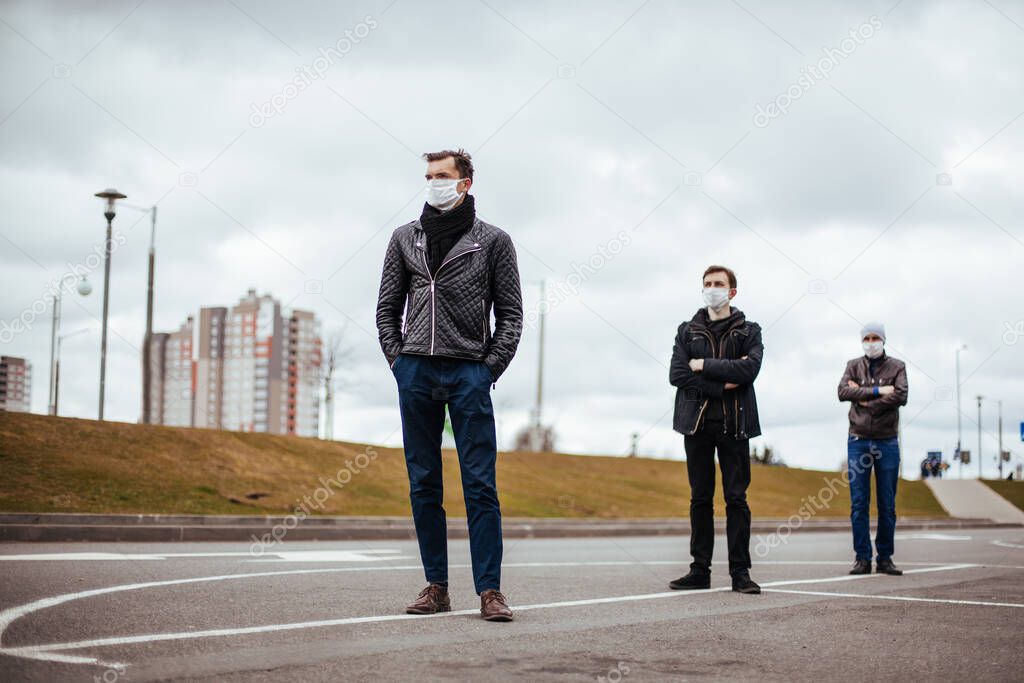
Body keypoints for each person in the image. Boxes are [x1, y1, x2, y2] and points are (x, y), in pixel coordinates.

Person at [375, 148, 523, 621]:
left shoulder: (494, 241)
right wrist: (399, 361)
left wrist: (488, 368)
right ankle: (435, 586)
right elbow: (386, 309)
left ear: (465, 184)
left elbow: (512, 315)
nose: (434, 182)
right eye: (429, 175)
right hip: (415, 369)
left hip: (467, 373)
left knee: (480, 484)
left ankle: (490, 591)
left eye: (443, 175)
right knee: (423, 484)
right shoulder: (405, 238)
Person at [667, 265, 764, 594]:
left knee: (736, 499)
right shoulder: (687, 330)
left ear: (732, 291)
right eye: (708, 283)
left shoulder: (749, 330)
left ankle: (740, 572)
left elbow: (749, 370)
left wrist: (705, 365)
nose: (713, 288)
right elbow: (678, 376)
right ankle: (700, 570)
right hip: (696, 425)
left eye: (719, 284)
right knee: (700, 499)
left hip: (735, 424)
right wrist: (723, 384)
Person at [837, 322, 908, 576]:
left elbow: (901, 395)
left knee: (887, 504)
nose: (870, 341)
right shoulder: (852, 365)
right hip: (858, 440)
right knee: (858, 503)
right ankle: (862, 558)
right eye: (866, 337)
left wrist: (864, 399)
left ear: (883, 340)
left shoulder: (897, 367)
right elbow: (842, 391)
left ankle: (885, 558)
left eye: (875, 337)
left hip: (887, 441)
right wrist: (878, 391)